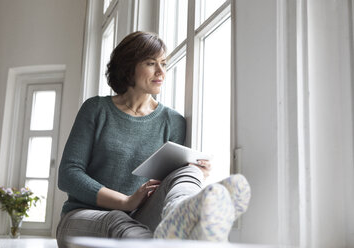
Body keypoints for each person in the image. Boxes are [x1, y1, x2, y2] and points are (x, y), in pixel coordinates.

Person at [56, 31, 250, 247]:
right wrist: (126, 202)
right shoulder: (96, 109)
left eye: (164, 64)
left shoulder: (173, 120)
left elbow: (164, 182)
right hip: (83, 217)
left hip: (139, 219)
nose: (161, 72)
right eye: (151, 63)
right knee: (116, 219)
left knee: (187, 170)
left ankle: (185, 213)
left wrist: (196, 173)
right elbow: (68, 175)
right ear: (128, 68)